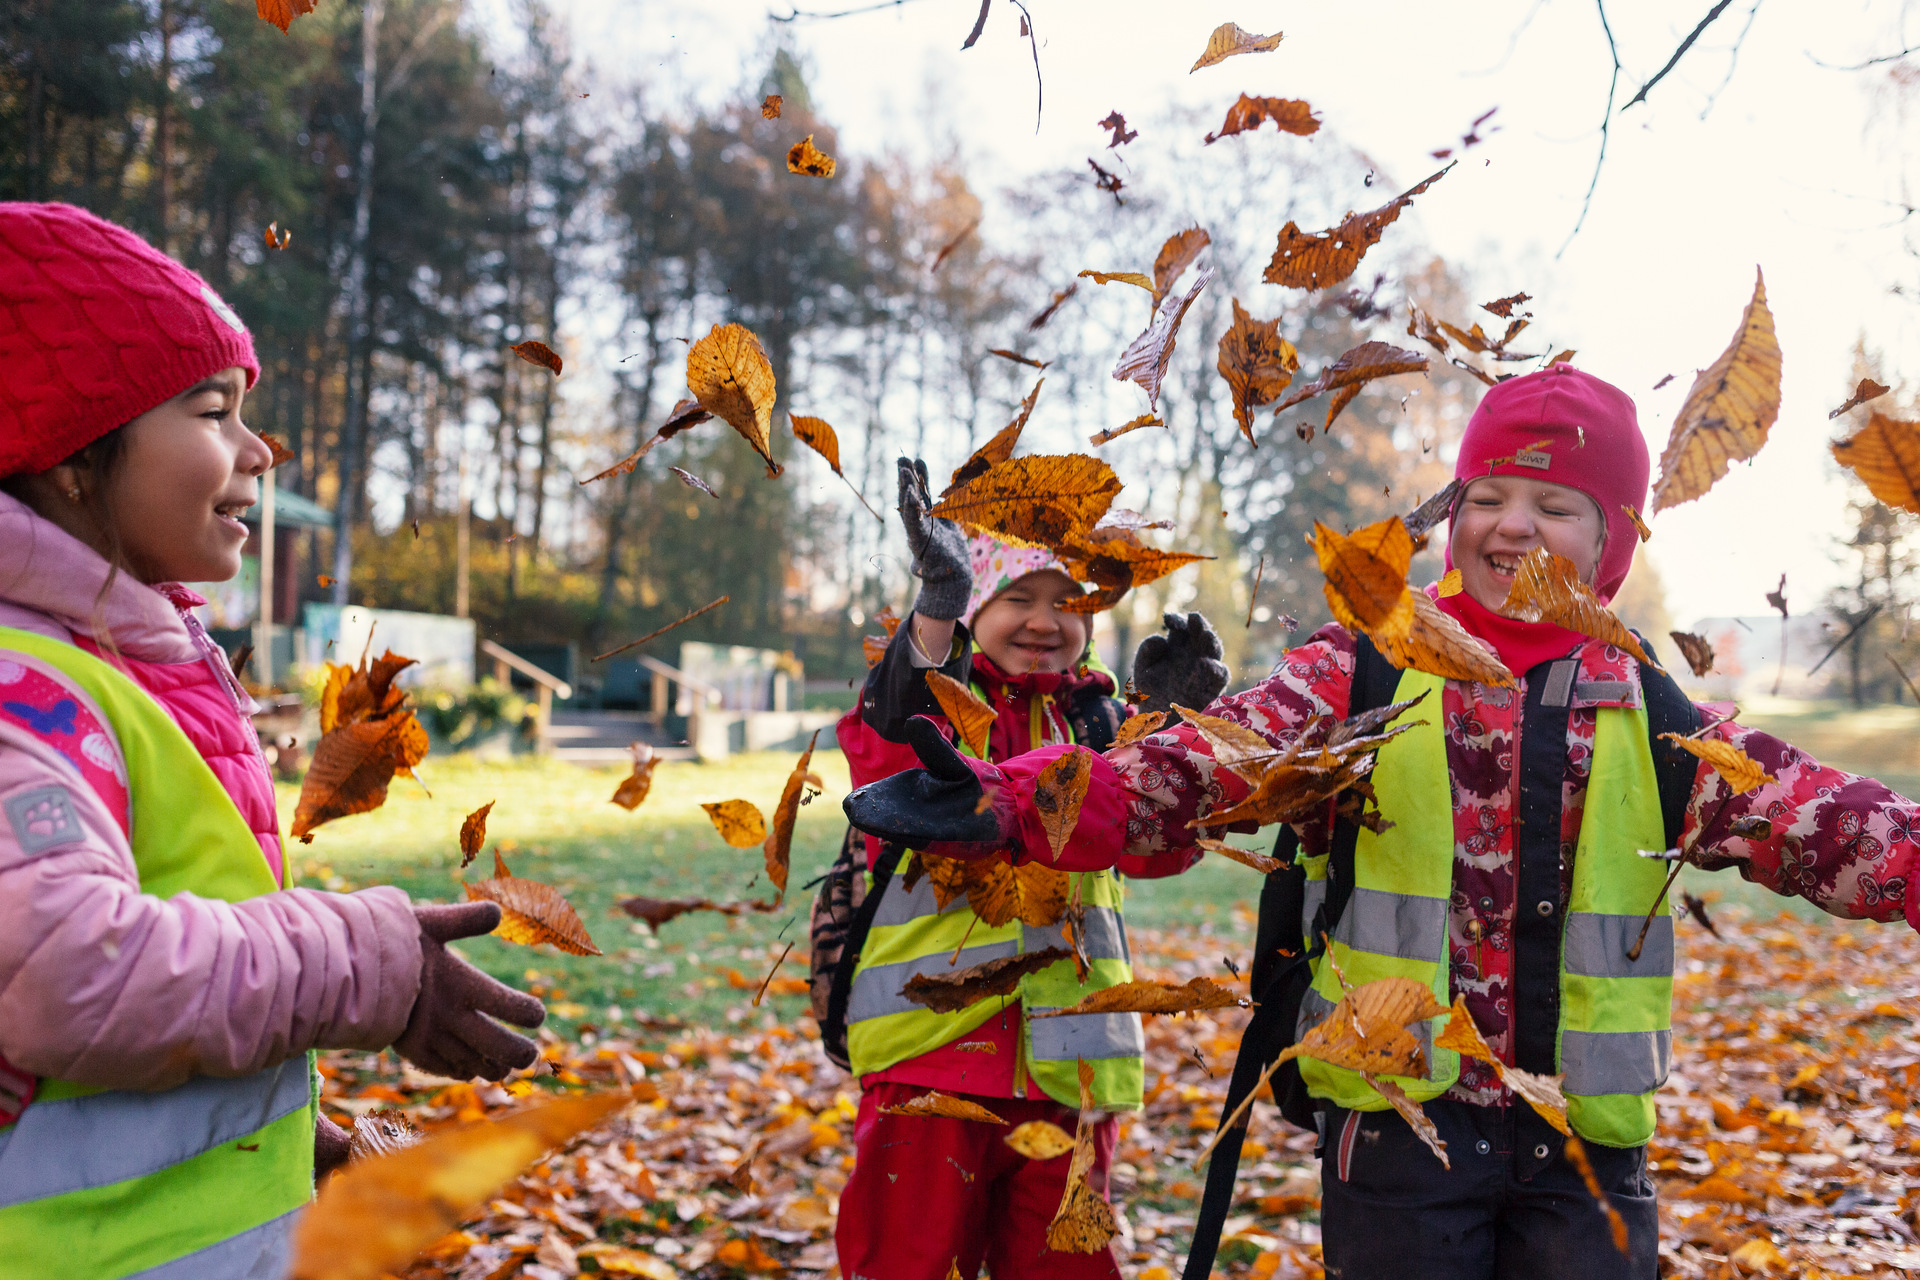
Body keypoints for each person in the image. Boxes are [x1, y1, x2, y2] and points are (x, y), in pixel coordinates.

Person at [844, 364, 1920, 1280]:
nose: (1514, 524)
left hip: (1585, 1145)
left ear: (1613, 536)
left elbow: (1815, 818)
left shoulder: (1655, 706)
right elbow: (1214, 760)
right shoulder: (1361, 662)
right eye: (1490, 493)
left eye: (1555, 504)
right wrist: (1032, 793)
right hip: (1404, 1127)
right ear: (1456, 513)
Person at [0, 202, 546, 1279]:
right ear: (68, 454)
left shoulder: (123, 662)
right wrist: (364, 962)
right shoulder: (26, 691)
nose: (259, 447)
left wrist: (282, 1140)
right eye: (213, 409)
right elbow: (68, 974)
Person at [828, 458, 1230, 1280]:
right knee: (909, 1259)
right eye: (1018, 597)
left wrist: (1170, 729)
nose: (1045, 620)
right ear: (975, 607)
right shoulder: (933, 700)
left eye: (1067, 602)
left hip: (1072, 1065)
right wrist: (934, 613)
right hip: (931, 1051)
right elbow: (884, 740)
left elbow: (1158, 849)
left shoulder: (1098, 718)